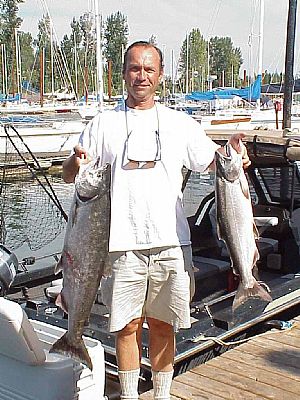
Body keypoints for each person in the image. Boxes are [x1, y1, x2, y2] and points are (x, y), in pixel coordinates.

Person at [62, 41, 251, 400]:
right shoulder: (104, 123)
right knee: (127, 326)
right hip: (118, 246)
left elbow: (214, 161)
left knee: (165, 326)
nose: (141, 76)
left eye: (149, 69)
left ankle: (162, 395)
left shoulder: (180, 124)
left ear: (160, 76)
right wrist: (75, 160)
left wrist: (235, 157)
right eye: (135, 68)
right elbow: (73, 173)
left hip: (171, 244)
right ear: (123, 74)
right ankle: (132, 396)